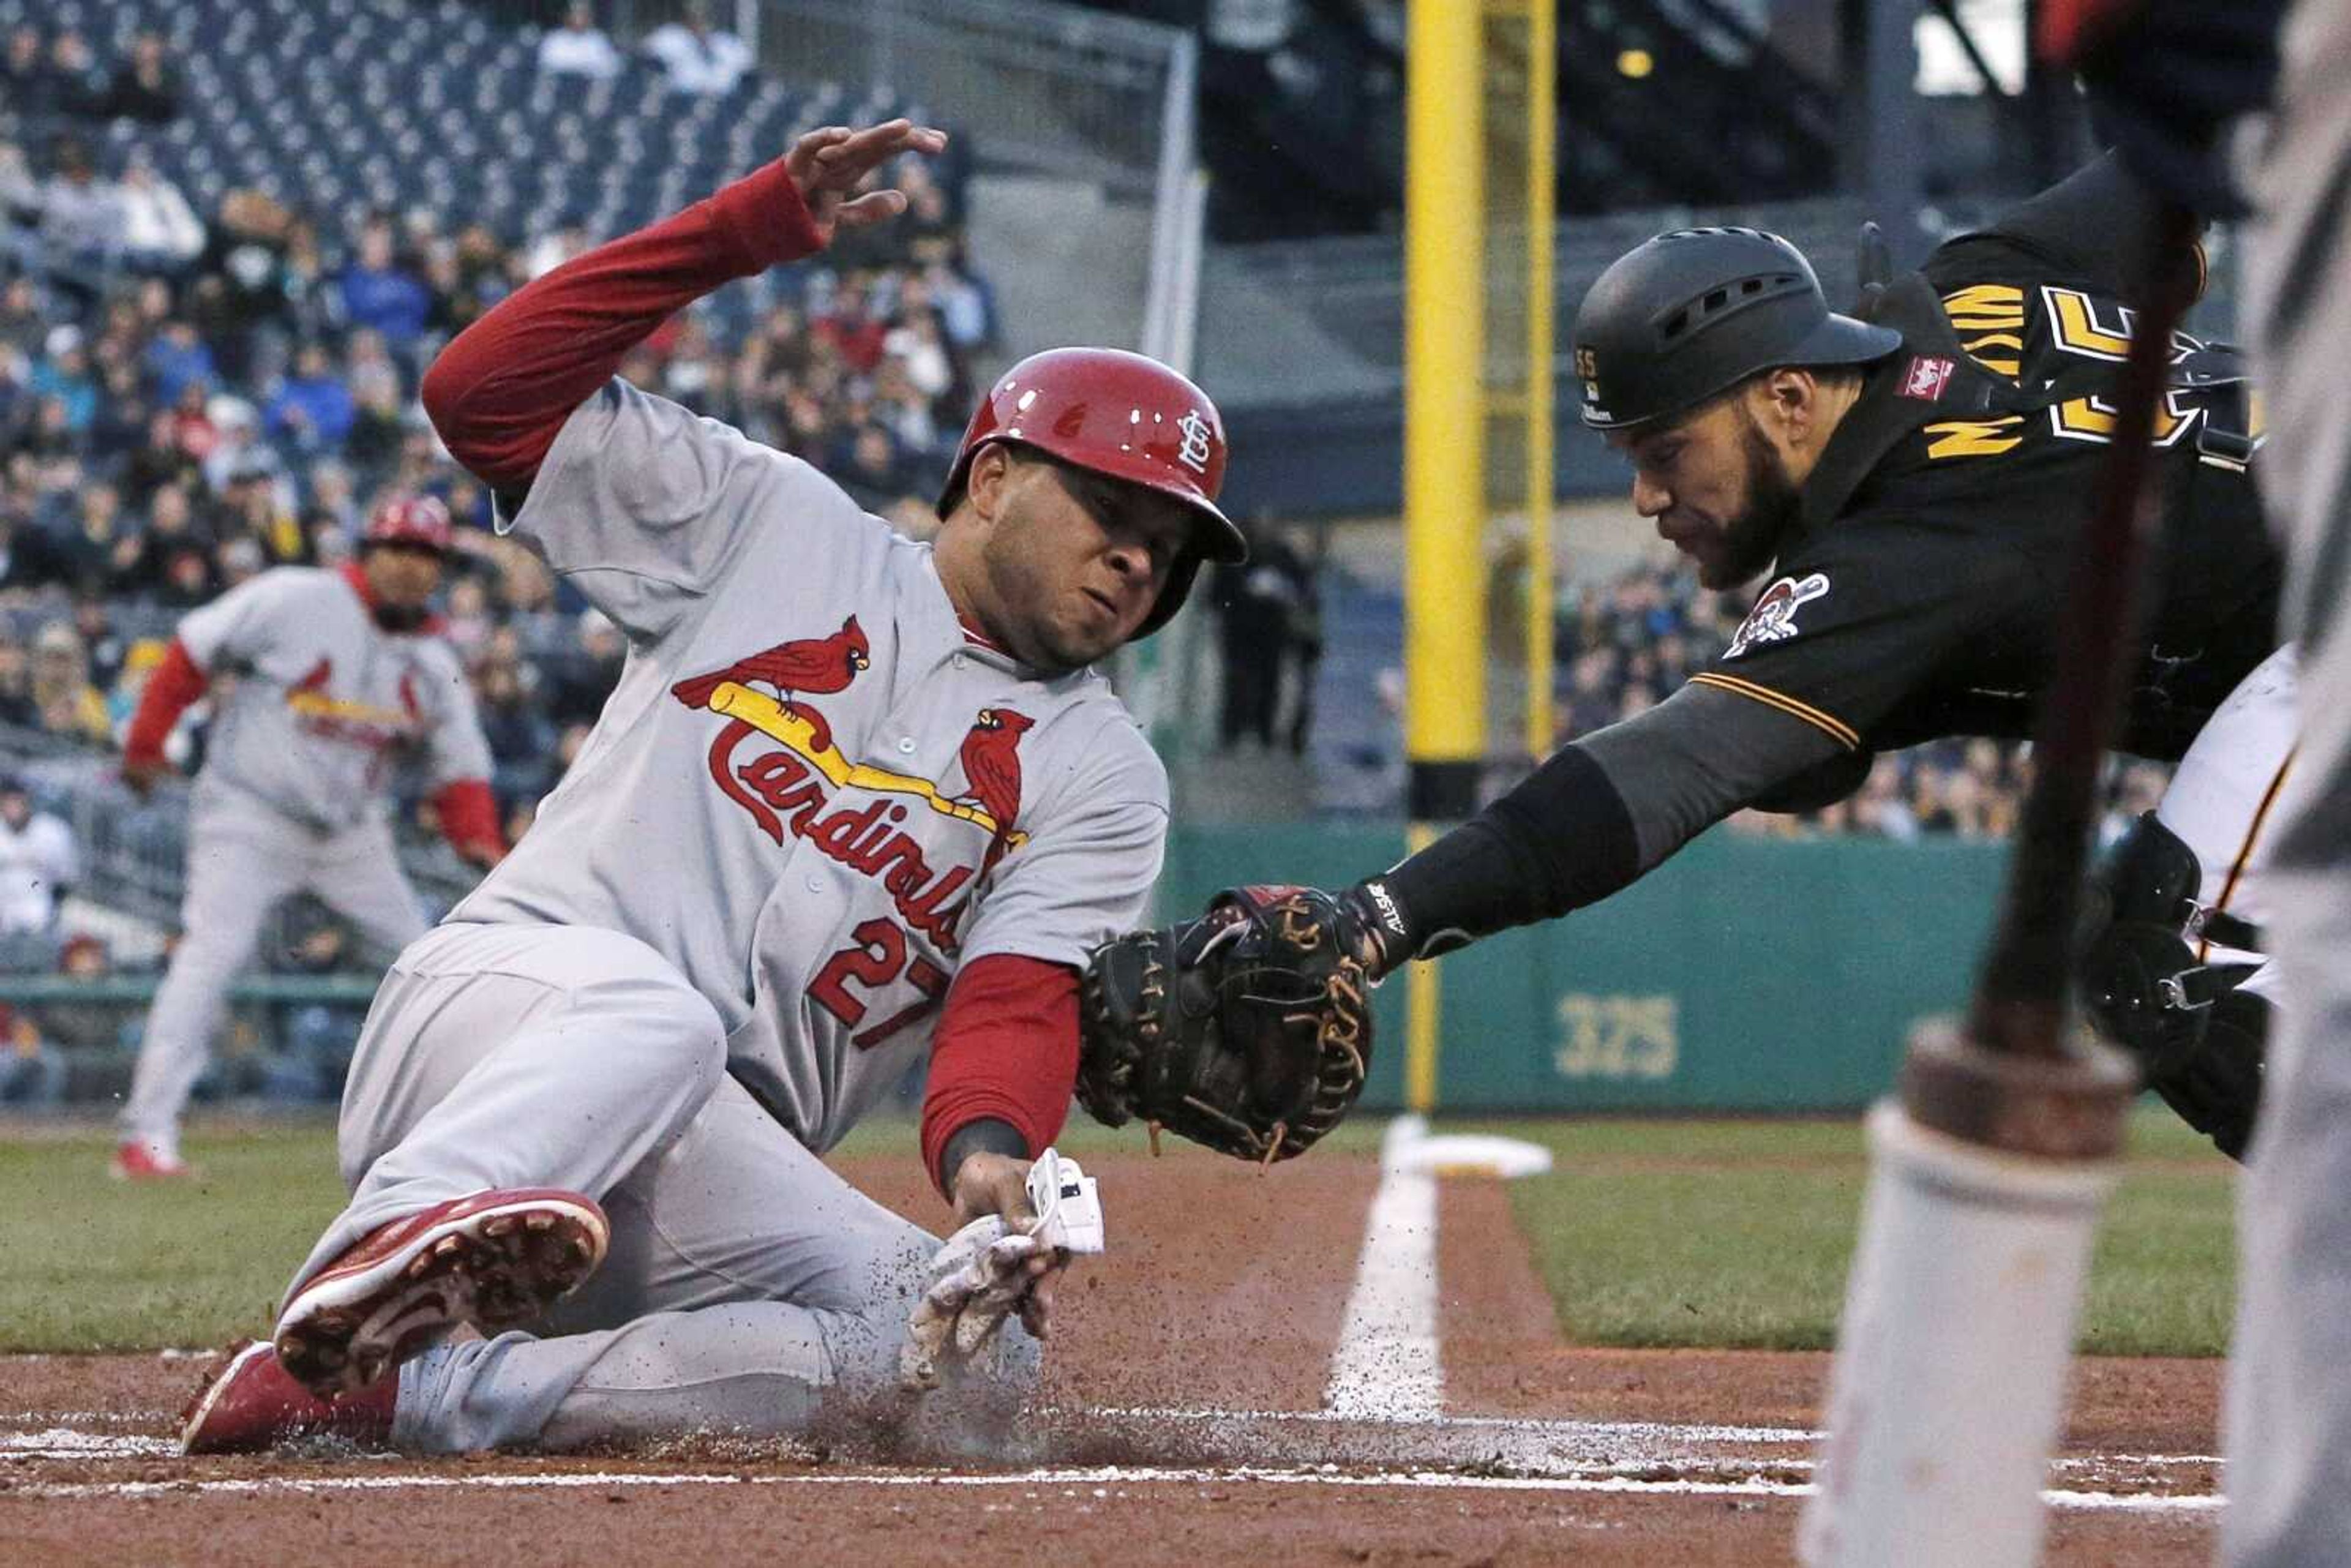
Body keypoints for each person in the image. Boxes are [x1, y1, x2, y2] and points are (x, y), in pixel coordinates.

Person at [176, 119, 1246, 1459]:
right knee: (660, 1013)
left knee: (971, 1360)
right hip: (500, 1032)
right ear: (992, 477)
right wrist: (740, 230)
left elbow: (1011, 1000)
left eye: (1168, 549)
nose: (1140, 563)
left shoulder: (1102, 771)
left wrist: (991, 1177)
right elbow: (482, 394)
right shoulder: (773, 523)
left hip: (699, 1170)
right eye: (1114, 516)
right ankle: (368, 1268)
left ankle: (422, 1389)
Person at [1177, 151, 2283, 1165]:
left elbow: (1674, 766)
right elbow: (2193, 141)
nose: (1648, 495)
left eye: (1667, 450)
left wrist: (1377, 921)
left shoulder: (1902, 549)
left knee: (2169, 959)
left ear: (1791, 398)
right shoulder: (1980, 282)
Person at [112, 494, 504, 1181]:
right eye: (398, 549)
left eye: (426, 555)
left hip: (353, 834)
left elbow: (461, 769)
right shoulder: (299, 599)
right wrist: (147, 739)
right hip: (249, 814)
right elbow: (195, 647)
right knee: (212, 957)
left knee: (423, 962)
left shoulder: (433, 656)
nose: (411, 566)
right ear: (368, 550)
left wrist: (478, 840)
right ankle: (145, 1136)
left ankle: (463, 1126)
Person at [0, 772, 77, 943]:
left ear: (28, 799)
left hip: (40, 914)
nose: (12, 804)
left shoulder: (52, 831)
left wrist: (54, 914)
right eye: (7, 799)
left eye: (17, 798)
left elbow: (65, 881)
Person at [639, 1, 753, 96]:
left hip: (724, 105)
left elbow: (748, 70)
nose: (701, 20)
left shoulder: (727, 43)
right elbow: (644, 58)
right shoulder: (670, 36)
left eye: (706, 14)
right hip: (682, 101)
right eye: (696, 14)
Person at [536, 1, 623, 81]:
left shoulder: (598, 40)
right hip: (559, 88)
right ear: (567, 17)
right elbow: (546, 65)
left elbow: (611, 67)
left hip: (590, 90)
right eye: (575, 15)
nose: (579, 20)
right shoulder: (554, 39)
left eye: (583, 15)